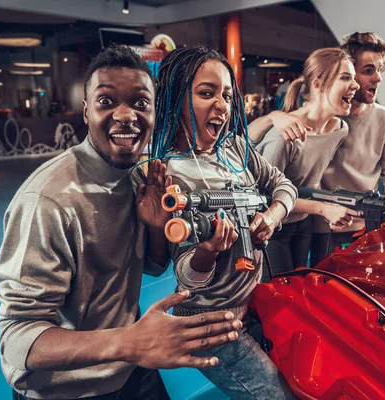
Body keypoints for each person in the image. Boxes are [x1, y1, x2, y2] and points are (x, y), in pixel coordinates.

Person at [0, 45, 243, 400]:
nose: (126, 115)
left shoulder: (135, 179)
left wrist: (157, 225)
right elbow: (16, 339)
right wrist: (130, 340)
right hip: (66, 389)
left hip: (129, 365)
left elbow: (154, 268)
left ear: (155, 114)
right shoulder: (47, 201)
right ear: (86, 112)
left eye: (140, 103)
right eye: (107, 101)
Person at [151, 46, 297, 399]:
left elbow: (284, 185)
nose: (222, 105)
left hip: (250, 301)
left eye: (228, 95)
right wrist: (207, 252)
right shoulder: (171, 176)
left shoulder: (234, 150)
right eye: (206, 93)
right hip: (209, 320)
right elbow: (186, 274)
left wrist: (271, 216)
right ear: (174, 100)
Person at [248, 32, 385, 264]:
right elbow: (248, 151)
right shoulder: (288, 132)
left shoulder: (340, 127)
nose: (378, 78)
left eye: (379, 70)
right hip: (300, 222)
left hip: (326, 221)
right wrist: (274, 117)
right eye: (367, 71)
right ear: (321, 84)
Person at [254, 48, 361, 275]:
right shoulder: (283, 136)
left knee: (299, 288)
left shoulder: (340, 130)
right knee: (278, 297)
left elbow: (309, 181)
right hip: (274, 227)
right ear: (318, 84)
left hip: (303, 224)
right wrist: (323, 209)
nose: (356, 85)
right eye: (345, 77)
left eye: (353, 77)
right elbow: (264, 197)